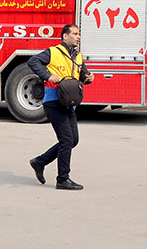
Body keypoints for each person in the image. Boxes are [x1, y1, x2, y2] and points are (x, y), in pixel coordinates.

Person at [28, 23, 94, 190]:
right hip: (53, 102)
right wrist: (49, 75)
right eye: (75, 34)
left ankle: (40, 161)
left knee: (74, 140)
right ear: (65, 36)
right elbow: (33, 61)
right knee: (66, 140)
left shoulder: (77, 56)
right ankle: (62, 179)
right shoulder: (53, 52)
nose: (78, 37)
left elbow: (82, 75)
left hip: (68, 104)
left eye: (79, 34)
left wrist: (88, 77)